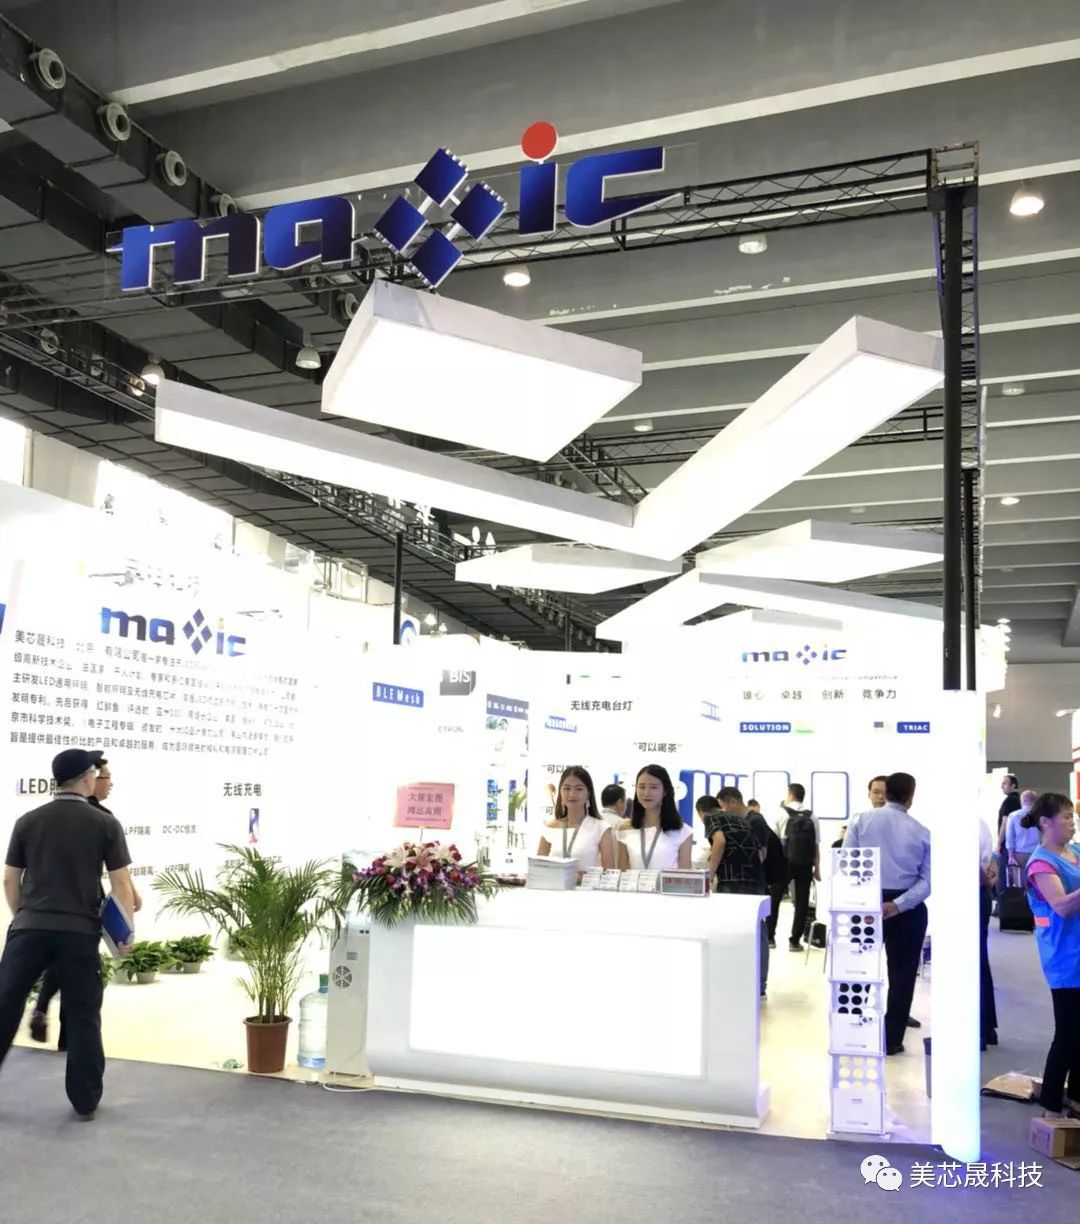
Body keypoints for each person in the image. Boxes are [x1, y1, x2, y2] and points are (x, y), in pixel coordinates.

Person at [0, 749, 136, 1120]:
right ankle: (84, 1100)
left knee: (5, 1005)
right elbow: (121, 884)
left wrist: (24, 916)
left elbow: (10, 879)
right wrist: (124, 935)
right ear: (87, 777)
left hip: (29, 930)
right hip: (78, 933)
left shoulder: (28, 821)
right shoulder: (104, 824)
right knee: (82, 1014)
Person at [29, 752, 142, 1050]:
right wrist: (128, 921)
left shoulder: (48, 816)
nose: (109, 783)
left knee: (63, 964)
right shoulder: (100, 819)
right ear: (87, 779)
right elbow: (119, 875)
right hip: (82, 912)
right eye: (105, 777)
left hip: (49, 909)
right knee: (79, 977)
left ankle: (46, 1012)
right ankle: (69, 1038)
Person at [843, 772, 930, 1055]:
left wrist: (867, 898)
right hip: (908, 909)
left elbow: (847, 864)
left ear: (886, 792)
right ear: (910, 797)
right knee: (903, 975)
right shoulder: (921, 831)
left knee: (857, 970)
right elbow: (927, 881)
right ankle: (892, 1039)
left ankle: (851, 1033)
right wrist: (898, 904)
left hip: (864, 905)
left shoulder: (860, 821)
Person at [1022, 792, 1080, 1118]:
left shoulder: (1075, 852)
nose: (1072, 823)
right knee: (1068, 1032)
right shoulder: (1040, 863)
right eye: (1066, 817)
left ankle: (1076, 1097)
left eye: (1073, 817)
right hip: (1064, 956)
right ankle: (1051, 1103)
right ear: (1046, 822)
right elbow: (1061, 906)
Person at [707, 789, 771, 997]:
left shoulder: (753, 820)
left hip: (740, 881)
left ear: (733, 802)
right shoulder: (746, 821)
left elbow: (761, 852)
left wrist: (712, 872)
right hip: (754, 879)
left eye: (724, 806)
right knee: (753, 931)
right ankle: (754, 983)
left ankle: (750, 982)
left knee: (746, 931)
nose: (723, 811)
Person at [536, 766, 614, 871]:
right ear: (560, 792)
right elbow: (538, 868)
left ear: (588, 794)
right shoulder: (550, 827)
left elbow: (609, 873)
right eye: (567, 788)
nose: (572, 794)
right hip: (554, 882)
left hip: (586, 882)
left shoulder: (601, 828)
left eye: (579, 789)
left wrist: (582, 876)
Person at [617, 764, 692, 870]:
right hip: (633, 881)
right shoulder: (625, 829)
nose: (646, 793)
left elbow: (685, 875)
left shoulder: (683, 832)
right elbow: (621, 871)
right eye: (641, 787)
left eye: (653, 787)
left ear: (665, 791)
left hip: (667, 882)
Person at [778, 783, 820, 952]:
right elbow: (816, 845)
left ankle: (770, 937)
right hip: (805, 864)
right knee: (802, 903)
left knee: (774, 899)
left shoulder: (782, 813)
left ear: (790, 795)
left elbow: (774, 840)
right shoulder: (812, 816)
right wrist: (817, 868)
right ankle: (795, 941)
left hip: (785, 863)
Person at [978, 815, 998, 1051]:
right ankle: (986, 1026)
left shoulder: (965, 823)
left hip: (970, 895)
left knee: (973, 964)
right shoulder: (980, 823)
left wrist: (985, 879)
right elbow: (990, 858)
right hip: (980, 894)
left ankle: (980, 1029)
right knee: (980, 962)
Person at [994, 774, 1022, 910]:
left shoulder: (1010, 801)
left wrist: (999, 843)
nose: (1002, 786)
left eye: (1005, 783)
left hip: (1007, 845)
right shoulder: (1017, 801)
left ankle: (1002, 908)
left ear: (1013, 786)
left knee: (1003, 876)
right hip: (1016, 845)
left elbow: (1005, 823)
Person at [1005, 789, 1040, 877]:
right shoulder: (1041, 816)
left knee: (1020, 882)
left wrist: (1010, 856)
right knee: (1038, 881)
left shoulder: (1013, 815)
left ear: (1023, 801)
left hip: (1019, 854)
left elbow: (1009, 837)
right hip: (1038, 853)